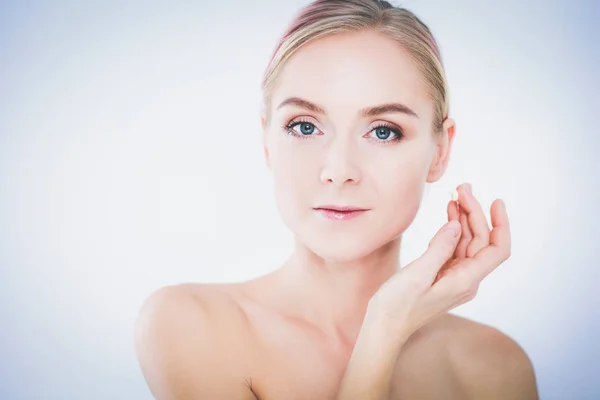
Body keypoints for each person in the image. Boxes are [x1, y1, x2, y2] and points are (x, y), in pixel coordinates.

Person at [134, 0, 539, 398]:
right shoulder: (190, 324)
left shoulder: (494, 367)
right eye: (305, 126)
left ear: (440, 152)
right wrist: (384, 327)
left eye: (383, 131)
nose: (339, 169)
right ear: (267, 143)